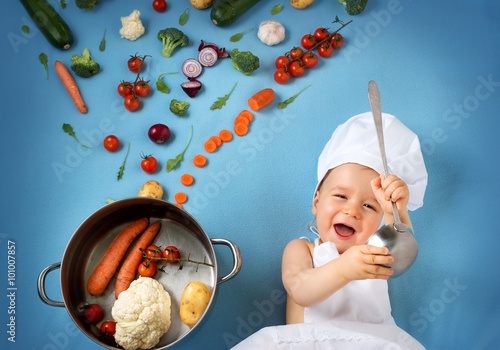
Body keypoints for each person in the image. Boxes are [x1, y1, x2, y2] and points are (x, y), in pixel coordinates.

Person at [232, 112, 428, 350]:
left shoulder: (375, 254)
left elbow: (401, 249)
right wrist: (345, 268)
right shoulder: (302, 249)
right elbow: (300, 289)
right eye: (341, 196)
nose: (352, 211)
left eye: (369, 206)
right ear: (316, 201)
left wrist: (396, 210)